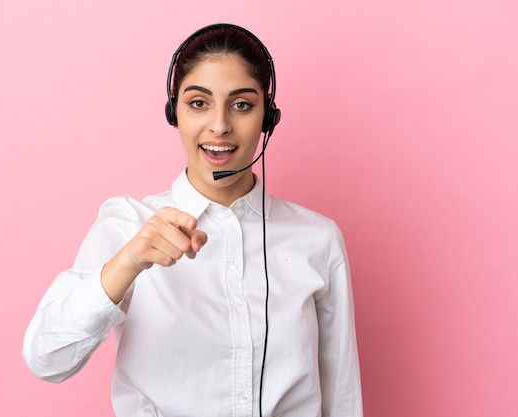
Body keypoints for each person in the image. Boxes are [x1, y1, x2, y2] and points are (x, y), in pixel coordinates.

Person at [23, 23, 363, 417]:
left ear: (268, 116)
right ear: (174, 112)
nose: (219, 126)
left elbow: (341, 397)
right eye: (199, 103)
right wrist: (129, 261)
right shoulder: (126, 225)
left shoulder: (318, 239)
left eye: (241, 104)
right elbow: (46, 360)